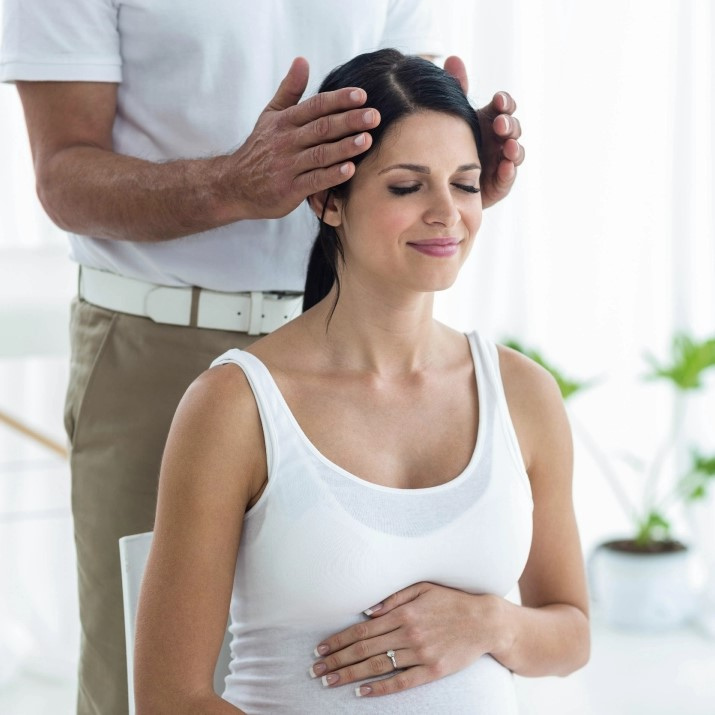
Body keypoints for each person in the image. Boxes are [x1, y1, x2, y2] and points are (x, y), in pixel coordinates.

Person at [0, 3, 524, 714]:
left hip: (348, 338)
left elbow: (398, 114)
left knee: (355, 661)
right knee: (142, 683)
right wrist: (231, 183)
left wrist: (445, 166)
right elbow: (61, 174)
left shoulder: (511, 389)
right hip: (161, 339)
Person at [134, 49, 588, 715]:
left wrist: (492, 623)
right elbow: (168, 698)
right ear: (328, 201)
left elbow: (570, 632)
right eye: (407, 187)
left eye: (463, 184)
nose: (445, 213)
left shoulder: (522, 393)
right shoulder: (235, 406)